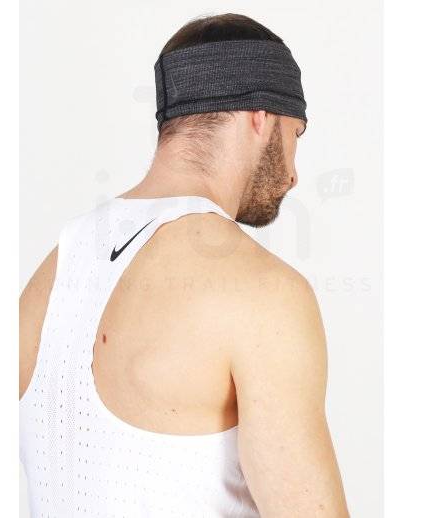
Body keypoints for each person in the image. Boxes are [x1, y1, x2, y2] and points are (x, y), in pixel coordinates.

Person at [20, 13, 349, 518]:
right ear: (261, 117)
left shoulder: (49, 275)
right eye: (295, 134)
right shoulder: (264, 294)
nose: (294, 175)